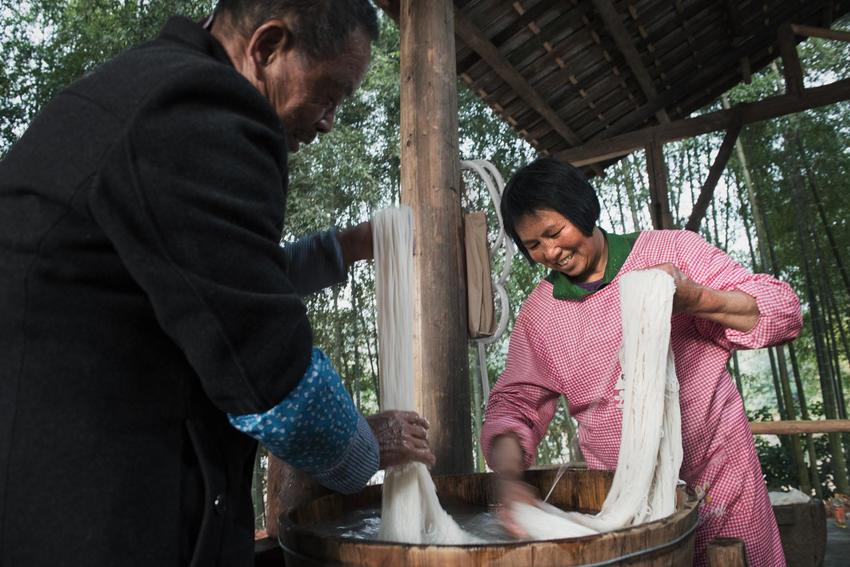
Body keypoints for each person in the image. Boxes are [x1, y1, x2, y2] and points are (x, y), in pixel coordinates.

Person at [0, 1, 434, 565]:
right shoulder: (199, 109)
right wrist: (362, 446)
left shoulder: (149, 87)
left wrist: (345, 249)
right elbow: (265, 364)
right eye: (329, 94)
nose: (328, 121)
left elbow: (211, 279)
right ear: (267, 47)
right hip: (88, 513)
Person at [481, 157, 802, 566]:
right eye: (533, 245)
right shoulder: (542, 314)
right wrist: (508, 481)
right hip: (626, 500)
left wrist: (693, 298)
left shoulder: (672, 252)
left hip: (720, 479)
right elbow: (515, 407)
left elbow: (782, 312)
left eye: (554, 232)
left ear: (583, 210)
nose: (551, 251)